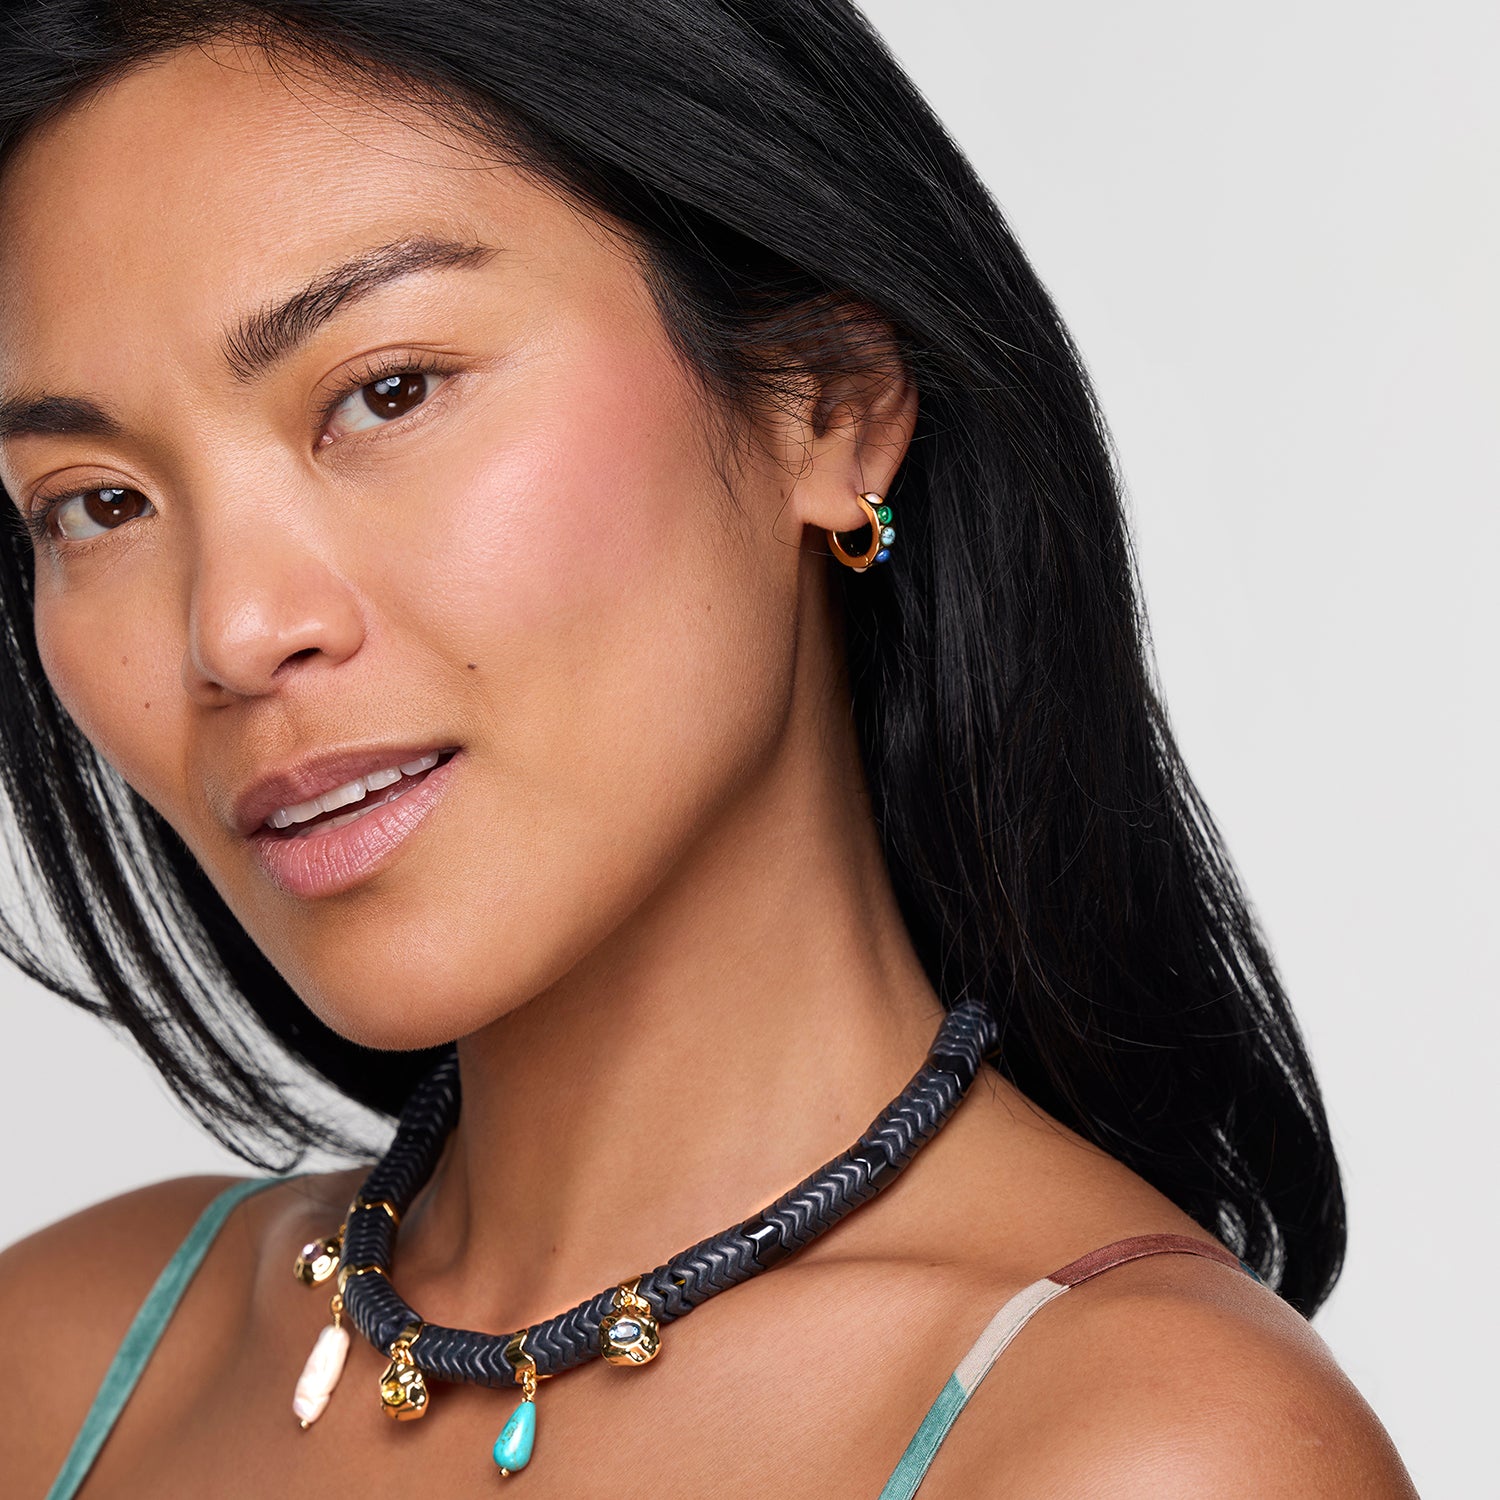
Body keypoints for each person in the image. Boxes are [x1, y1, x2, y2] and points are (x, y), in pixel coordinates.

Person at [0, 3, 1416, 1495]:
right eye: (95, 503)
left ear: (825, 401)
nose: (232, 630)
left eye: (386, 392)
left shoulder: (1145, 1450)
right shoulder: (62, 1367)